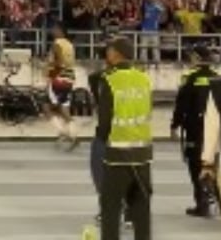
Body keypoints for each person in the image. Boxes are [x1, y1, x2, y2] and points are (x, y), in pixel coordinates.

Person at [93, 36, 153, 240]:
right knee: (141, 209)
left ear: (116, 53)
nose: (107, 53)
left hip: (118, 155)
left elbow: (105, 121)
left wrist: (101, 140)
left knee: (110, 207)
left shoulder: (110, 80)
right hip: (143, 154)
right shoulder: (144, 78)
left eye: (109, 50)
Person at [172, 43, 217, 217]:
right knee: (212, 164)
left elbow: (181, 103)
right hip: (214, 130)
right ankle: (214, 198)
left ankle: (202, 203)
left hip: (194, 129)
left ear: (197, 58)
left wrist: (175, 124)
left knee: (195, 165)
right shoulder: (217, 76)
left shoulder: (189, 77)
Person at [47, 25, 80, 150]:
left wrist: (51, 74)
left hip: (59, 79)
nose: (52, 31)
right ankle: (73, 134)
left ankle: (64, 133)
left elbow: (59, 62)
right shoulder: (69, 44)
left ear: (60, 31)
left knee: (46, 106)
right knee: (63, 107)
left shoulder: (57, 43)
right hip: (69, 78)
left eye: (54, 29)